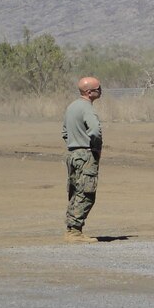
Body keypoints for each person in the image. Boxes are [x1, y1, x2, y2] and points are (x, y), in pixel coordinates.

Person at [62, 76, 103, 243]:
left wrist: (74, 145)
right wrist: (95, 147)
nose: (100, 91)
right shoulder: (87, 108)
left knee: (75, 191)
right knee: (86, 193)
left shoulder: (72, 107)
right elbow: (95, 130)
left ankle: (71, 229)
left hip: (72, 154)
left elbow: (64, 133)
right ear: (89, 92)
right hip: (86, 154)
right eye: (98, 88)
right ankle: (75, 232)